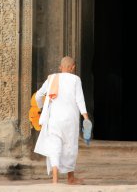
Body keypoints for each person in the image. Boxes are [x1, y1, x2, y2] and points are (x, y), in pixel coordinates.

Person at [34, 56, 89, 184]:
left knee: (55, 146)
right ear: (73, 67)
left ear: (60, 67)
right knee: (70, 146)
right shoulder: (76, 79)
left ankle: (55, 180)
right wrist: (86, 118)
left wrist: (42, 107)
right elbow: (79, 100)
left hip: (54, 118)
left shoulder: (52, 78)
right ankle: (70, 178)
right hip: (71, 119)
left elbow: (38, 95)